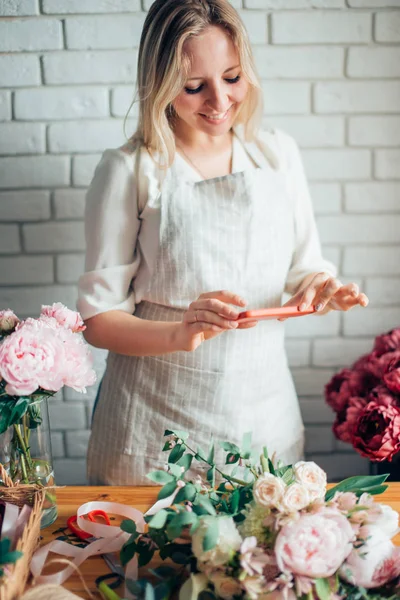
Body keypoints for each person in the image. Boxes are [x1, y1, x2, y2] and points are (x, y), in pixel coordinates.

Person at [77, 0, 368, 485]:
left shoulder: (277, 153)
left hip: (264, 416)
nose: (219, 101)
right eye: (194, 87)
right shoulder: (130, 169)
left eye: (232, 77)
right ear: (160, 85)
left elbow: (302, 266)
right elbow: (98, 321)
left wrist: (320, 287)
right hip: (153, 427)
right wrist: (180, 332)